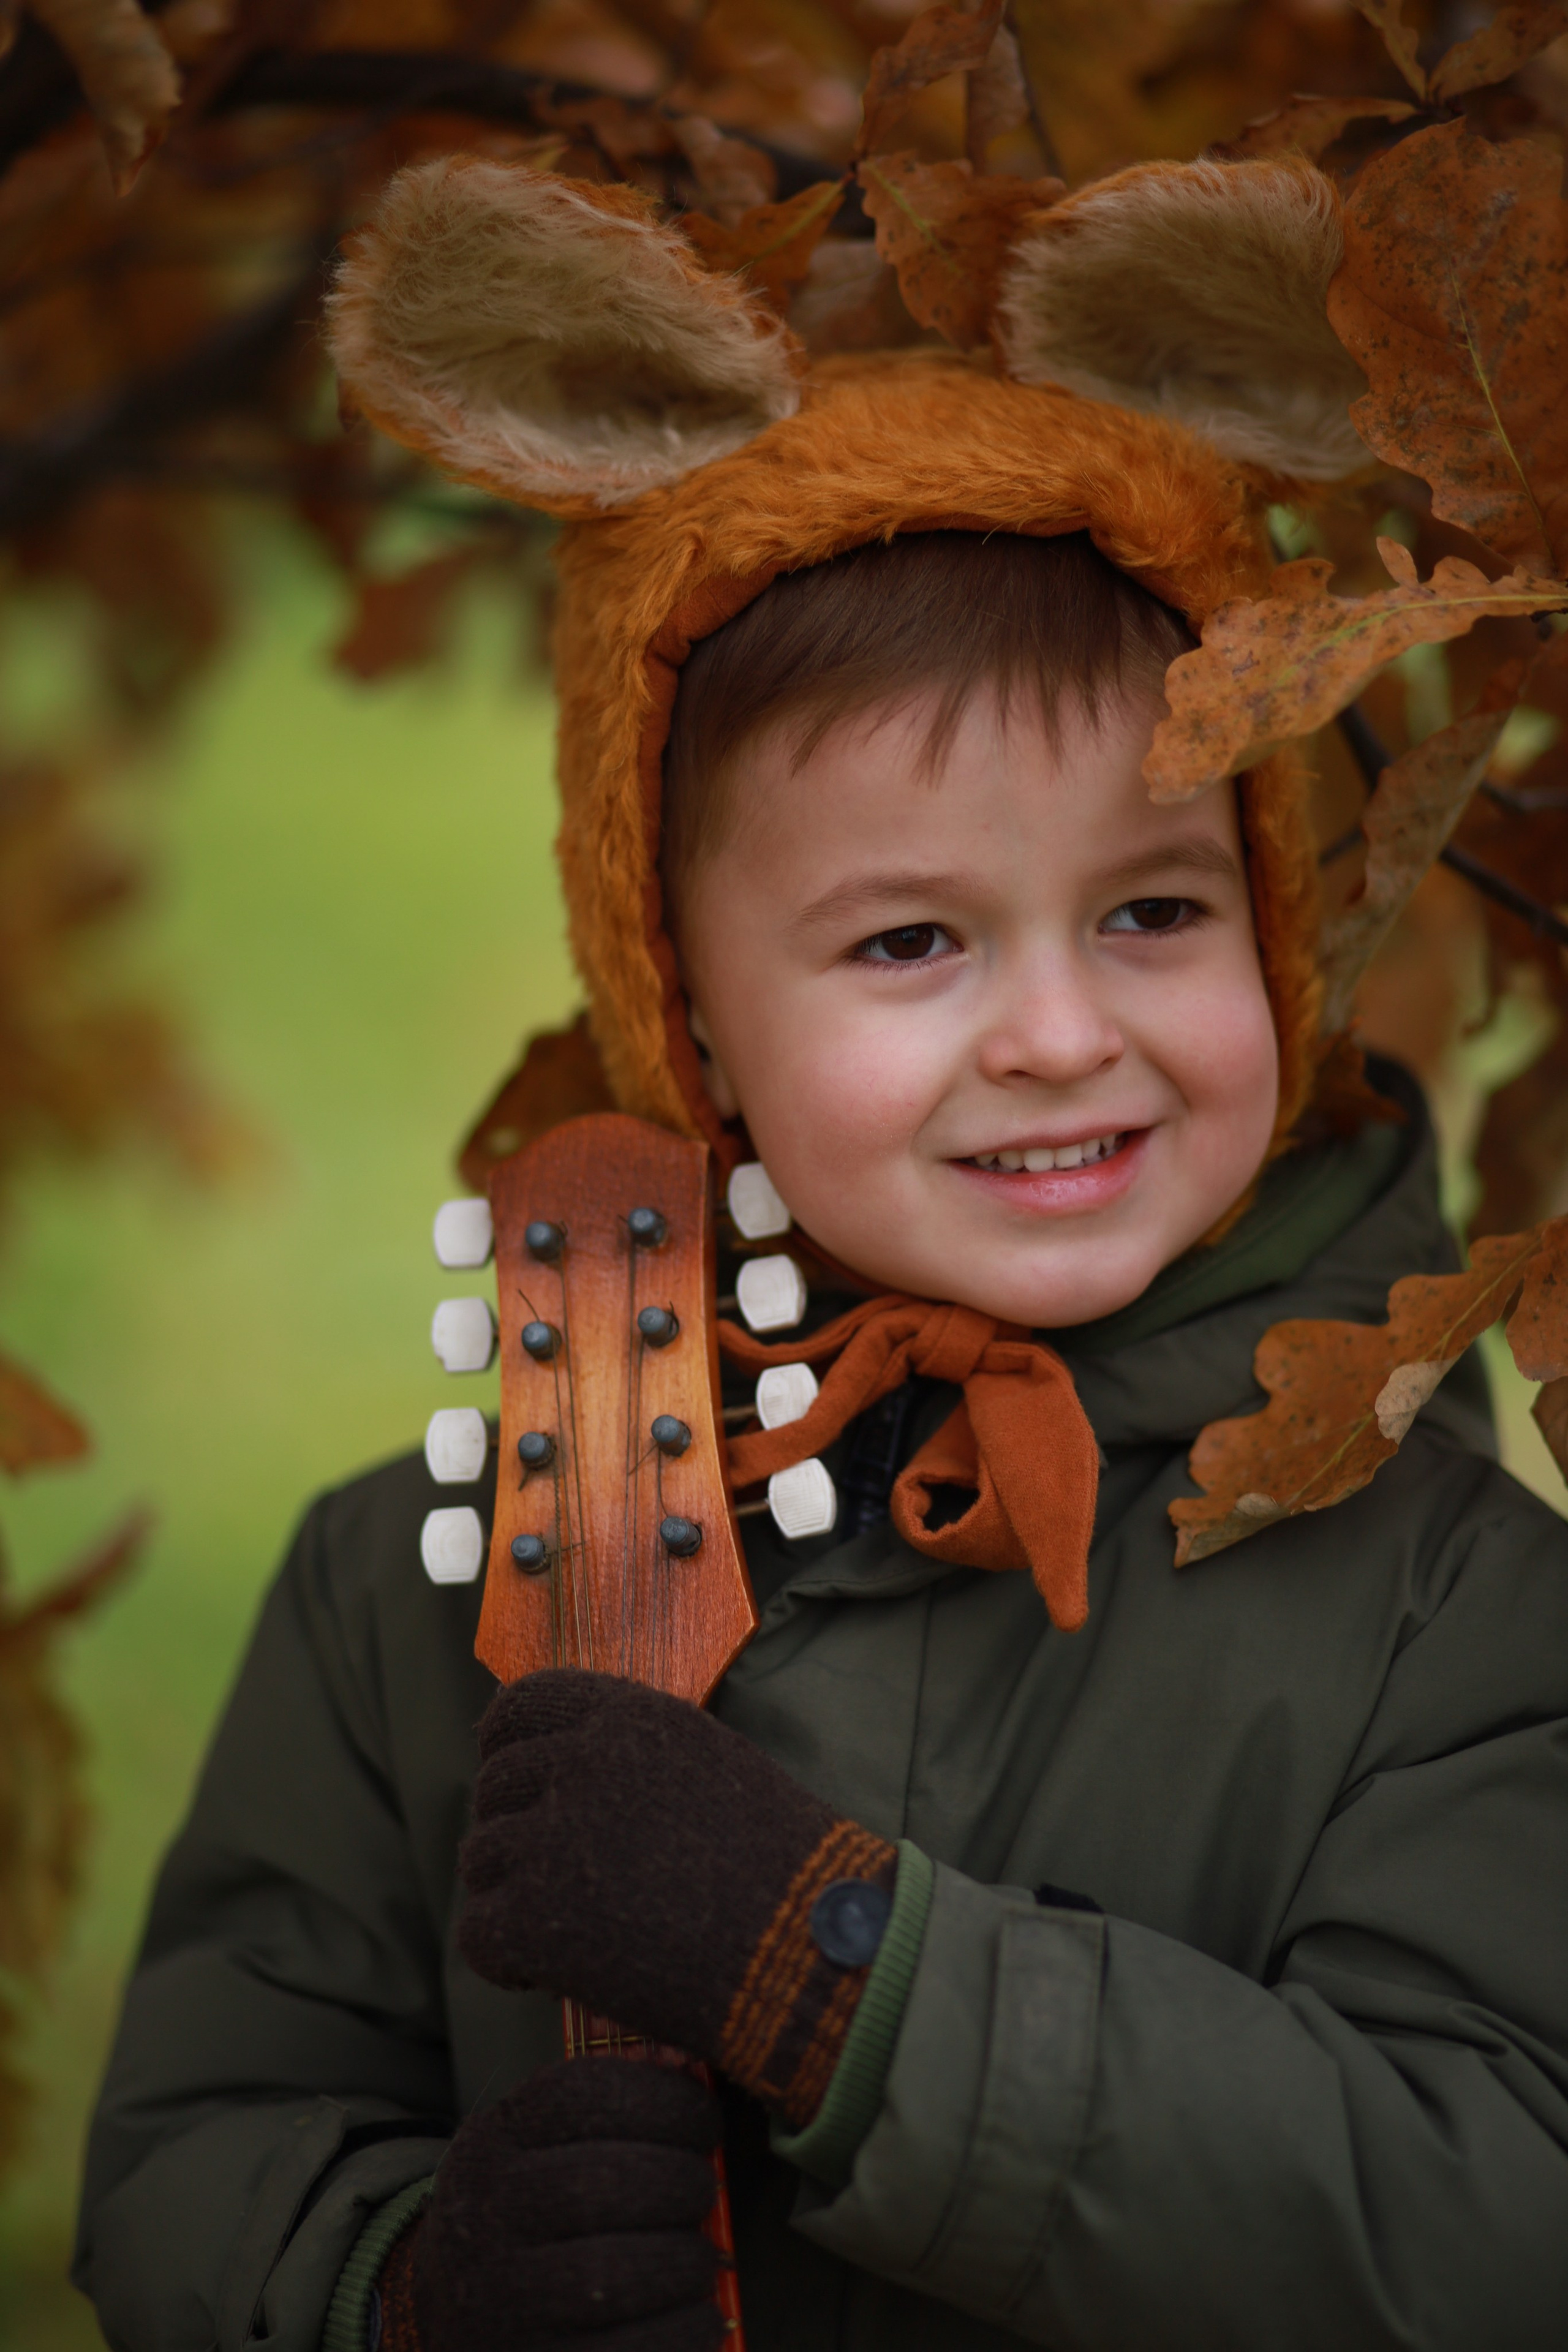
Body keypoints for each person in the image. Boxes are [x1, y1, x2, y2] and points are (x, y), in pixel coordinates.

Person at [75, 157, 1568, 2351]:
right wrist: (403, 2292)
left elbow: (1496, 2219)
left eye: (1156, 906)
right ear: (694, 1023)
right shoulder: (411, 1598)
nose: (1063, 1032)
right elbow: (201, 2158)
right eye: (908, 939)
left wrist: (841, 1970)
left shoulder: (1453, 1602)